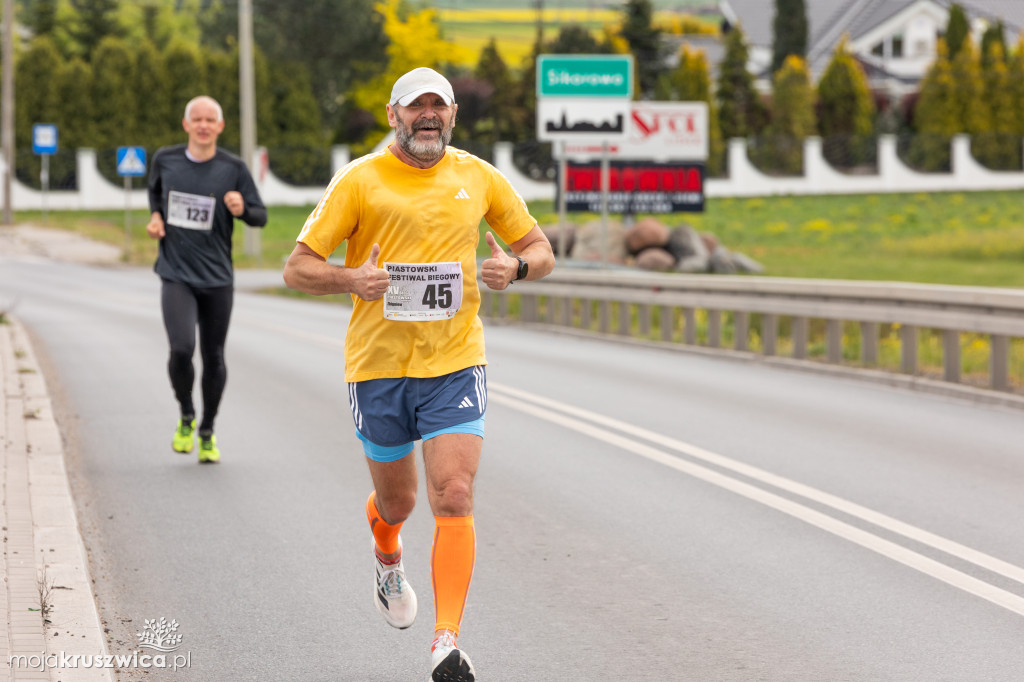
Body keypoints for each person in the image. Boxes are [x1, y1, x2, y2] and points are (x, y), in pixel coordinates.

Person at [283, 67, 554, 681]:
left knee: (453, 494)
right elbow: (297, 269)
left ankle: (446, 642)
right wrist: (353, 279)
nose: (427, 115)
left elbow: (541, 250)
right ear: (393, 115)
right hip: (377, 368)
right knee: (398, 501)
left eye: (438, 105)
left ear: (453, 114)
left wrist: (514, 268)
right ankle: (386, 554)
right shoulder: (359, 180)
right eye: (415, 107)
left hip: (455, 362)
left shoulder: (479, 177)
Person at [146, 95, 267, 463]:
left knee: (214, 356)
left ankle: (207, 430)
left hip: (216, 279)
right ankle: (186, 414)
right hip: (176, 275)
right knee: (181, 349)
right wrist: (156, 217)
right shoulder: (165, 160)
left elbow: (260, 216)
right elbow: (154, 193)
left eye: (209, 119)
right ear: (186, 125)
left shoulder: (233, 168)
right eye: (195, 119)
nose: (202, 125)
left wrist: (241, 208)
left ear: (220, 126)